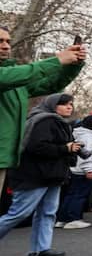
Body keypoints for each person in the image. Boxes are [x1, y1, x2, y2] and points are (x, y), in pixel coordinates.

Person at [0, 26, 84, 199]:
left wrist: (72, 66)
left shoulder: (14, 79)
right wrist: (58, 60)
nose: (6, 46)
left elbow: (50, 85)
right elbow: (18, 75)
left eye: (8, 41)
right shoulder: (9, 76)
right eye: (0, 41)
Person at [0, 93, 81, 256]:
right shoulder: (44, 121)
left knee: (47, 213)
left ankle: (40, 249)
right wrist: (65, 149)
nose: (69, 107)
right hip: (34, 176)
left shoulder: (60, 123)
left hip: (52, 176)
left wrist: (70, 149)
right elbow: (37, 147)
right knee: (19, 213)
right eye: (64, 104)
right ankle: (39, 249)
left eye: (71, 104)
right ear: (52, 105)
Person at [57, 114, 92, 229]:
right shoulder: (88, 137)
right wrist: (89, 170)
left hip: (79, 169)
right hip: (84, 170)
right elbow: (83, 155)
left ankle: (62, 219)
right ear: (91, 122)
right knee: (79, 195)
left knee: (72, 194)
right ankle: (73, 219)